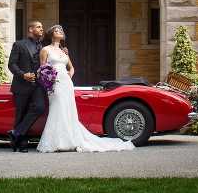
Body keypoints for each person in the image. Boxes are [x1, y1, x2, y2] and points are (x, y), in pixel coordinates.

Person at [36, 24, 135, 153]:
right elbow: (42, 69)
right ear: (51, 34)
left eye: (61, 30)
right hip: (55, 84)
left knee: (69, 111)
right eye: (56, 30)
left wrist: (69, 75)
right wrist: (51, 79)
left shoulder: (63, 51)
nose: (59, 31)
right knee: (57, 109)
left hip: (66, 84)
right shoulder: (45, 50)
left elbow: (71, 67)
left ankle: (70, 140)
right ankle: (56, 142)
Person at [7, 20, 45, 152]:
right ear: (30, 29)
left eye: (42, 27)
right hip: (21, 85)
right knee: (21, 113)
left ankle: (16, 133)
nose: (41, 29)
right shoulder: (19, 45)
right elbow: (11, 65)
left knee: (40, 107)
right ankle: (20, 143)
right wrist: (23, 75)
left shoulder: (42, 47)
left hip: (38, 85)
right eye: (38, 27)